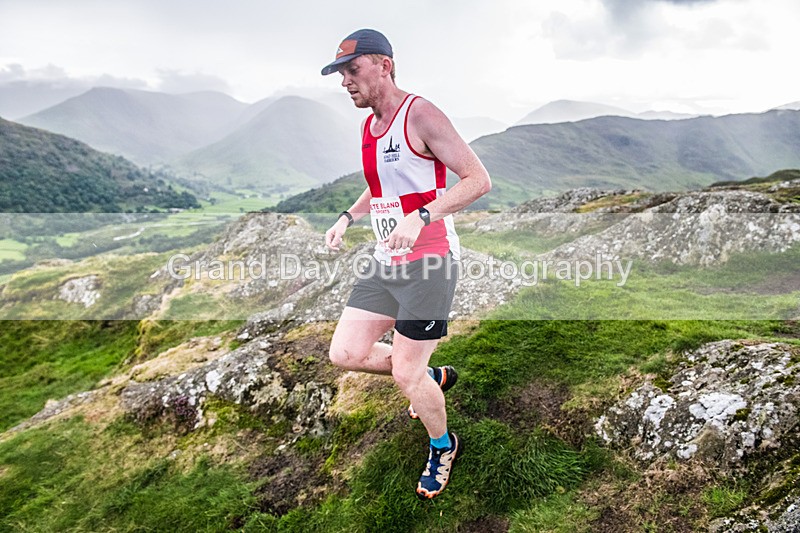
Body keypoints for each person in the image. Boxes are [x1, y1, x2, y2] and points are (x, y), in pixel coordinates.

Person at [322, 28, 491, 500]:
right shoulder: (369, 125)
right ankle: (429, 377)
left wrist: (422, 217)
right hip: (385, 261)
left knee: (404, 373)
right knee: (345, 354)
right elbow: (382, 189)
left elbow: (477, 180)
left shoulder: (421, 114)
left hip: (430, 261)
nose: (344, 82)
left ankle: (443, 445)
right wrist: (346, 217)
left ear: (383, 65)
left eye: (351, 70)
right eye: (340, 74)